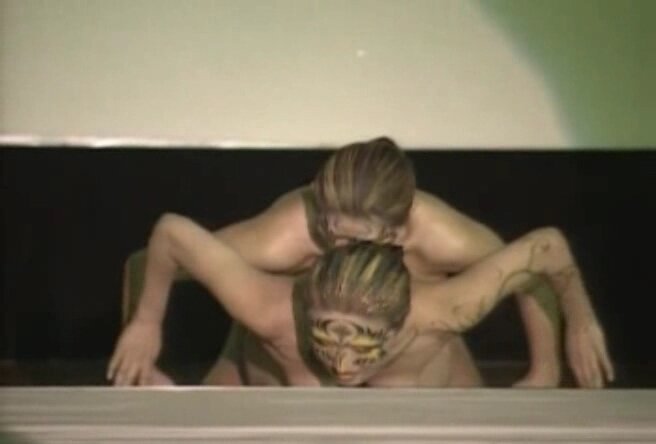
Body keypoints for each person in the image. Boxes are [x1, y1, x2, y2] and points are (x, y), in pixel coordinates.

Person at [119, 137, 611, 387]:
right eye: (327, 227)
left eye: (352, 237)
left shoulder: (445, 243)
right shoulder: (286, 237)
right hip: (290, 355)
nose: (333, 242)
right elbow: (151, 260)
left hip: (412, 357)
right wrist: (143, 338)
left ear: (397, 231)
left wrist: (547, 371)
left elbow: (533, 268)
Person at [108, 214, 613, 388]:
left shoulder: (439, 313)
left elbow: (547, 248)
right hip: (266, 378)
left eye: (363, 344)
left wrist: (579, 326)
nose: (342, 362)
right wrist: (145, 324)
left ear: (398, 324)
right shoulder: (270, 309)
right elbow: (170, 235)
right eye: (327, 335)